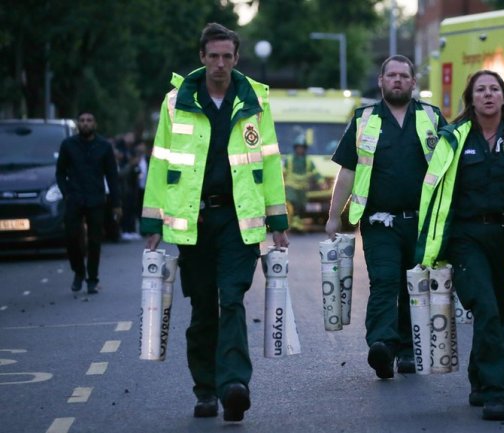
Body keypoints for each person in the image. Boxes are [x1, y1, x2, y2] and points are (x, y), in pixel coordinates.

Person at [140, 23, 289, 422]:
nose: (221, 63)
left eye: (228, 56)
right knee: (204, 307)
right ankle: (205, 388)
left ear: (236, 58)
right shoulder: (177, 102)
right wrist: (151, 223)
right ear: (202, 58)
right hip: (195, 221)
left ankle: (235, 385)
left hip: (239, 220)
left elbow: (269, 161)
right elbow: (160, 164)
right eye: (214, 56)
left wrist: (277, 216)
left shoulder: (254, 100)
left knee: (233, 299)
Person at [415, 70, 504, 421]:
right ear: (471, 98)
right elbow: (433, 192)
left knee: (498, 313)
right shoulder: (454, 138)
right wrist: (430, 246)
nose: (488, 95)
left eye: (494, 89)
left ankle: (478, 379)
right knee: (486, 308)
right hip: (466, 239)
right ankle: (496, 394)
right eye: (481, 90)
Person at [325, 55, 446, 379]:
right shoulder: (364, 119)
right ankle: (382, 345)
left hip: (422, 223)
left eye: (403, 76)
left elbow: (452, 171)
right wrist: (334, 215)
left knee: (414, 285)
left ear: (413, 82)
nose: (397, 80)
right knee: (385, 282)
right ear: (381, 81)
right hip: (379, 222)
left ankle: (407, 349)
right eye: (391, 75)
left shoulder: (432, 118)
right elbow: (348, 170)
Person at [56, 111, 122, 294]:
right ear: (78, 124)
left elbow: (112, 176)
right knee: (71, 237)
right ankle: (78, 271)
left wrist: (117, 204)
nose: (85, 123)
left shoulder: (104, 146)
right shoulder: (68, 145)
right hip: (74, 198)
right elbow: (60, 172)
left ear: (95, 124)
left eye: (89, 120)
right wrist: (66, 192)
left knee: (95, 241)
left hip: (96, 199)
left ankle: (92, 278)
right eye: (82, 120)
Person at [284, 136, 320, 231]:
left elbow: (316, 173)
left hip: (302, 187)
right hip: (291, 185)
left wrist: (321, 182)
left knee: (301, 206)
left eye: (302, 148)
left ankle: (299, 224)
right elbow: (282, 172)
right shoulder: (289, 159)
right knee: (293, 202)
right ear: (295, 148)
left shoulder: (308, 161)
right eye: (298, 148)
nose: (300, 150)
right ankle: (294, 223)